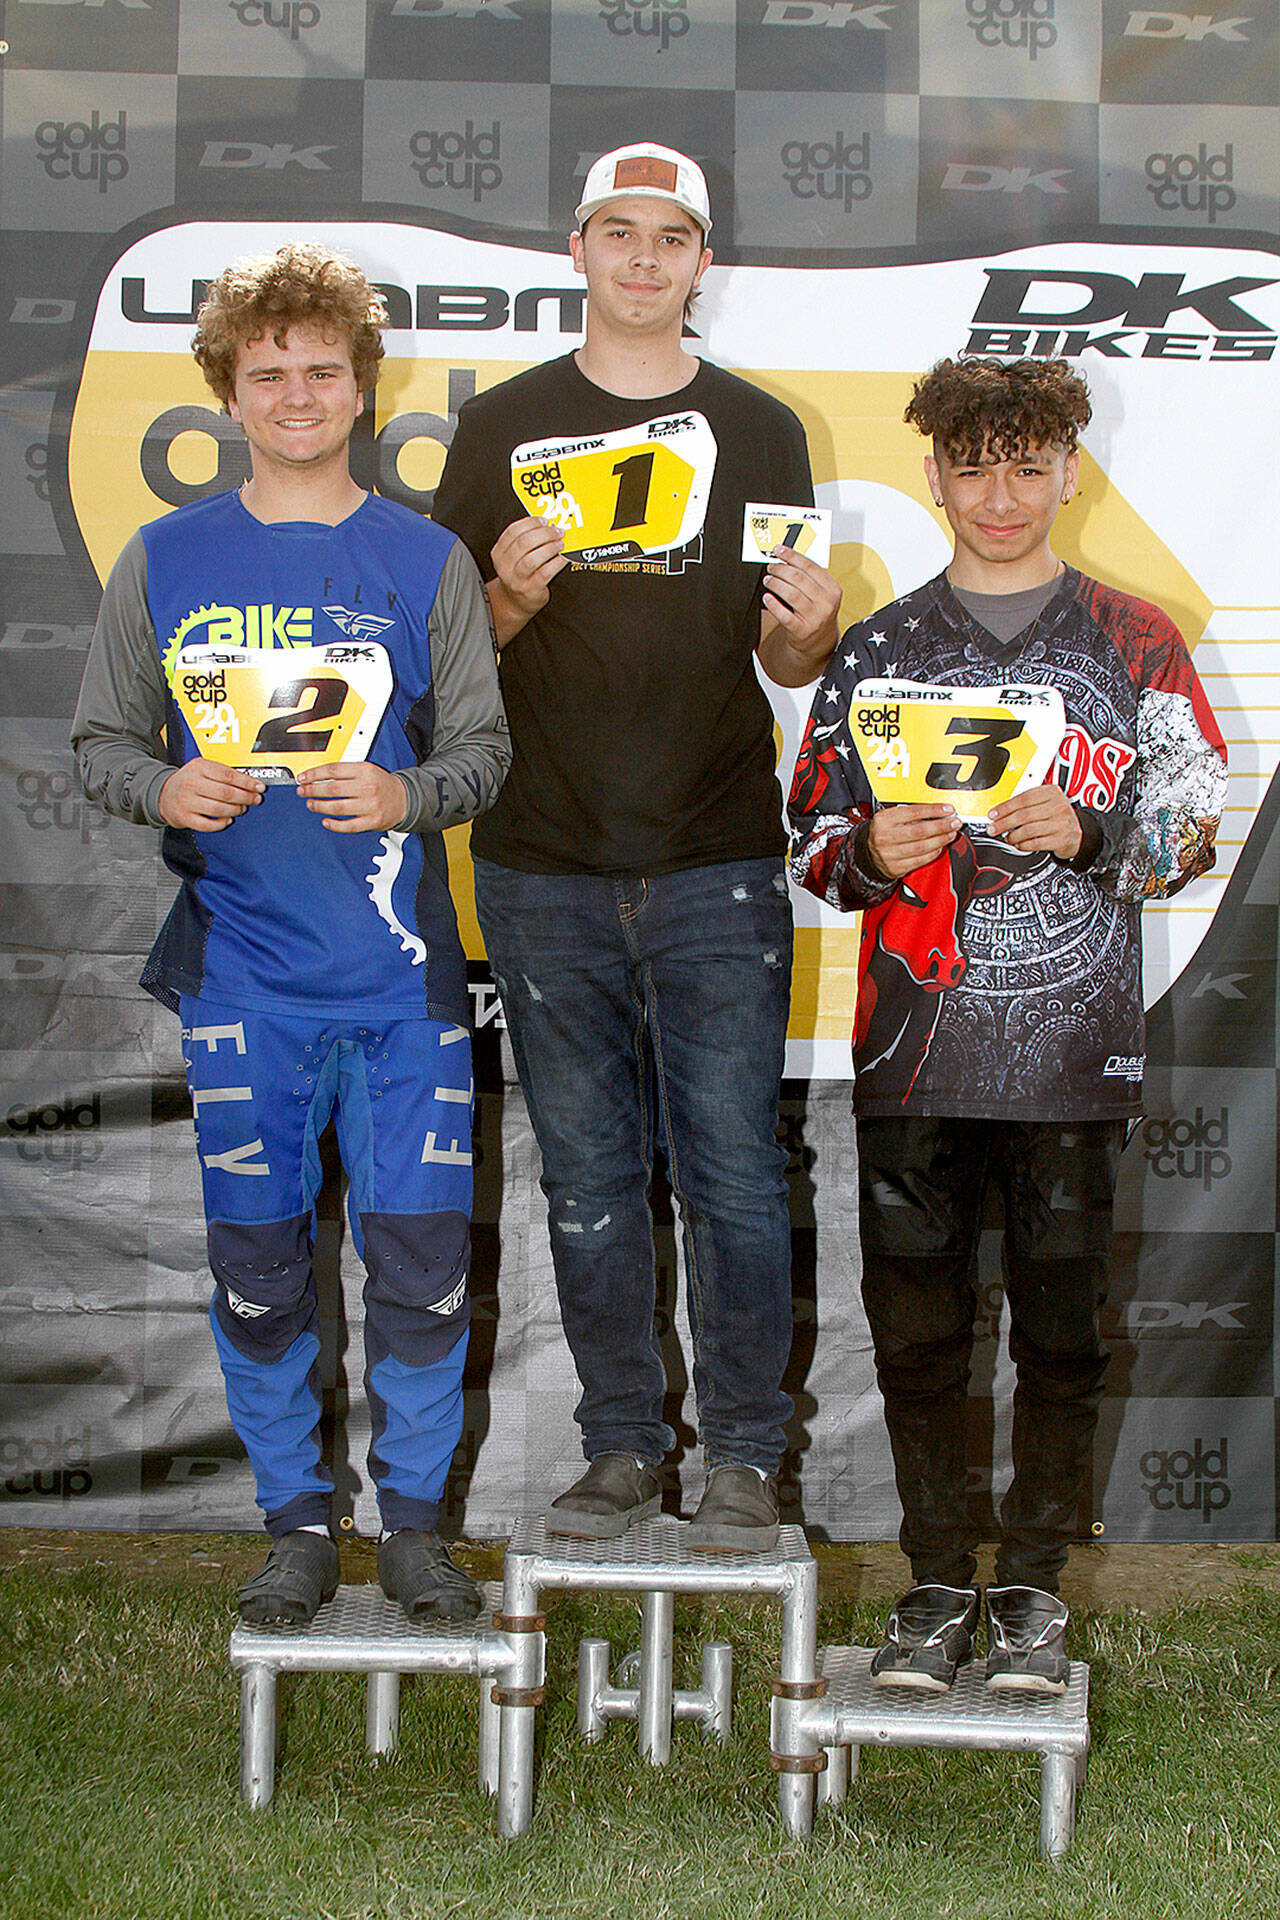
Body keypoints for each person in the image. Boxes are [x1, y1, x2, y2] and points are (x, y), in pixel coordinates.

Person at [71, 243, 510, 1627]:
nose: (299, 395)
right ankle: (297, 1526)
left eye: (325, 371)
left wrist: (403, 791)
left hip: (402, 991)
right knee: (260, 1273)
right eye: (270, 374)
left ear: (367, 389)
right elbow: (95, 740)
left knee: (424, 1275)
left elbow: (487, 756)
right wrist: (162, 783)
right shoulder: (167, 556)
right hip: (246, 986)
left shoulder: (425, 558)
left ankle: (420, 1530)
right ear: (228, 394)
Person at [789, 357, 1226, 1688]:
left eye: (1027, 465)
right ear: (934, 476)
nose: (999, 493)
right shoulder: (878, 649)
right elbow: (807, 840)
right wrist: (874, 845)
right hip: (914, 1053)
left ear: (1068, 472)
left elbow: (1197, 828)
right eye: (973, 466)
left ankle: (1031, 1589)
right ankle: (932, 1589)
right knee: (920, 1336)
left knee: (1061, 1332)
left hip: (1075, 1058)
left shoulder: (1138, 638)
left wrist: (1098, 833)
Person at [432, 143, 841, 1551]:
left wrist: (813, 622)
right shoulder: (503, 426)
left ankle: (740, 1455)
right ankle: (619, 1448)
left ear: (701, 259)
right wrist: (501, 596)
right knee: (593, 1178)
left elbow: (788, 653)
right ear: (580, 246)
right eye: (621, 232)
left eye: (672, 236)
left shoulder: (763, 428)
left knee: (732, 1168)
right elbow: (448, 656)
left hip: (719, 848)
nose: (645, 259)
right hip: (540, 857)